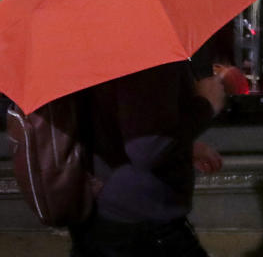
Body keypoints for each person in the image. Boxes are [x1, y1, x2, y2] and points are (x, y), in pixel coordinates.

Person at [69, 60, 228, 257]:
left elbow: (123, 124)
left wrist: (182, 146)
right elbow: (147, 148)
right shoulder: (147, 52)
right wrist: (207, 105)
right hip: (140, 222)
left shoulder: (94, 45)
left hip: (100, 213)